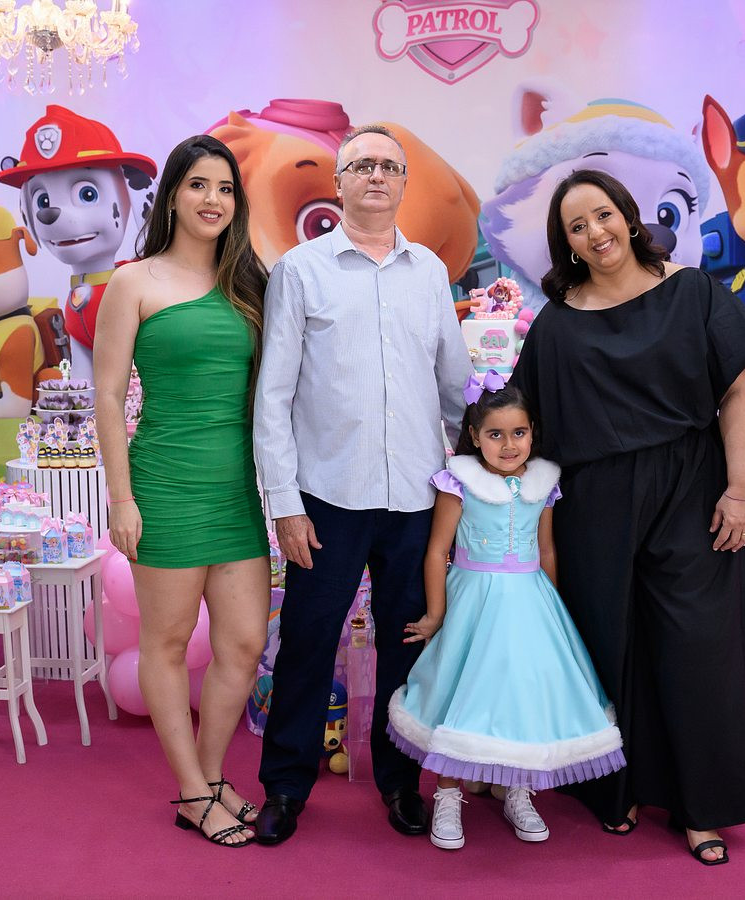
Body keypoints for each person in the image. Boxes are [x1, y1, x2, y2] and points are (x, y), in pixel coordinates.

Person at [509, 169, 745, 866]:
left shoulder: (694, 292)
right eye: (576, 227)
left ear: (627, 216)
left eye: (602, 215)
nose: (595, 233)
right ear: (565, 244)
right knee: (607, 645)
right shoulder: (556, 323)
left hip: (691, 490)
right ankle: (613, 788)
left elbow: (740, 389)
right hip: (593, 503)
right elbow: (523, 420)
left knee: (699, 647)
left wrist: (740, 490)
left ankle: (701, 807)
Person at [253, 124, 473, 845]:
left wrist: (484, 469)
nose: (376, 176)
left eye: (388, 166)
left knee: (407, 645)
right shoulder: (299, 271)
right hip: (326, 497)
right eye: (361, 166)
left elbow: (453, 384)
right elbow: (274, 395)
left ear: (403, 182)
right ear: (339, 183)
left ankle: (400, 783)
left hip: (415, 496)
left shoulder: (429, 272)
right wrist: (284, 503)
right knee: (308, 641)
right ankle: (285, 786)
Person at [94, 135, 270, 848]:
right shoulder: (133, 282)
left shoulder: (251, 282)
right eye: (198, 184)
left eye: (225, 188)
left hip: (237, 492)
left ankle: (211, 777)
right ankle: (194, 792)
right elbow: (107, 396)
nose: (212, 199)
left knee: (244, 644)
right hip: (164, 485)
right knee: (166, 644)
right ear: (171, 195)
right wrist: (121, 498)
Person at [387, 379, 627, 851]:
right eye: (495, 434)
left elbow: (546, 549)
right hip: (475, 601)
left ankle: (519, 788)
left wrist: (551, 606)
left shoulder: (543, 483)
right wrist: (436, 613)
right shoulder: (459, 482)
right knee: (463, 692)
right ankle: (447, 794)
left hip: (530, 601)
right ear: (474, 436)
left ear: (533, 432)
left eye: (519, 433)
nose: (509, 444)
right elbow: (437, 552)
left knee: (524, 694)